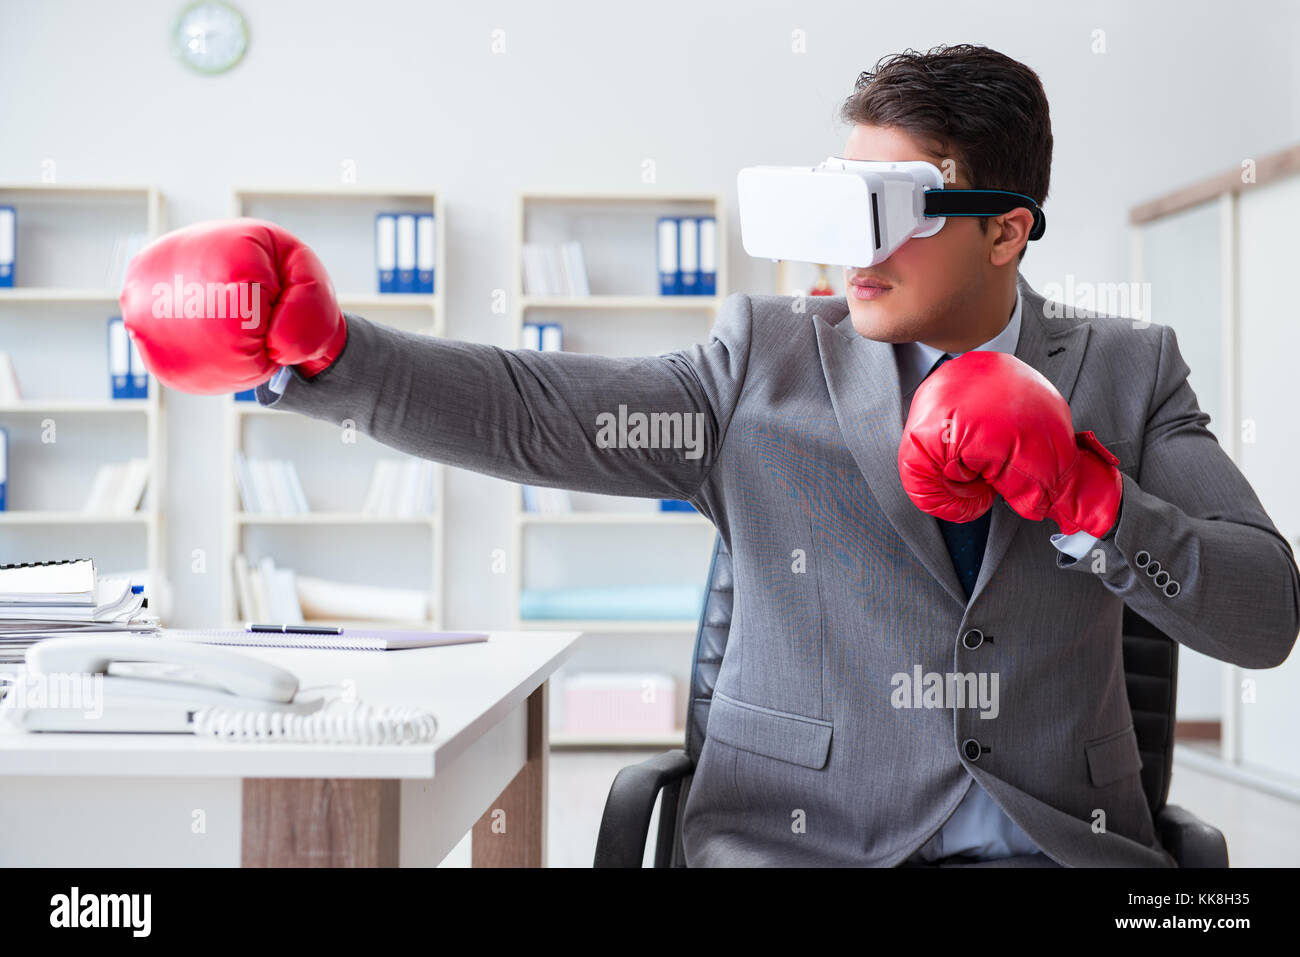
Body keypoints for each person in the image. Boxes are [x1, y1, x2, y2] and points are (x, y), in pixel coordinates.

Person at [120, 44, 1300, 867]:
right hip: (800, 842)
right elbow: (537, 410)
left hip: (1051, 844)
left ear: (1006, 226)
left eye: (889, 207)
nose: (849, 248)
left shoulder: (1131, 369)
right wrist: (327, 359)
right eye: (835, 203)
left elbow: (1260, 617)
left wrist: (1093, 502)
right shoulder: (765, 359)